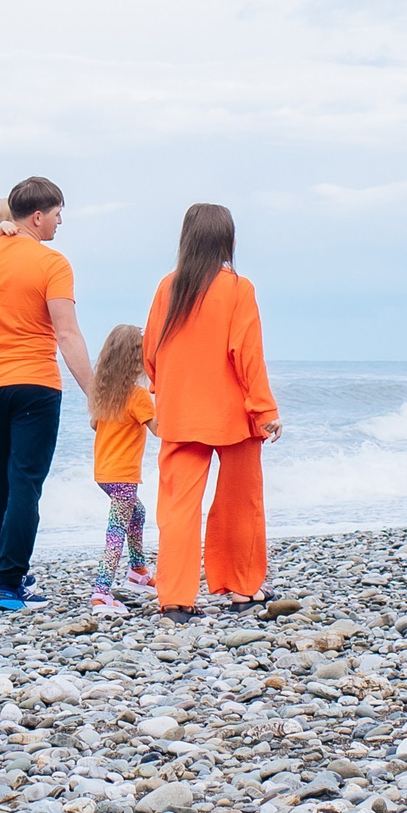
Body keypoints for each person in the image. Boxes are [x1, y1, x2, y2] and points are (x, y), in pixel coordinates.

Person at [0, 176, 94, 612]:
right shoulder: (52, 262)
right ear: (38, 215)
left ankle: (6, 574)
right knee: (25, 485)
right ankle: (11, 586)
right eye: (57, 215)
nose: (59, 223)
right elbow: (67, 334)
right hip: (34, 384)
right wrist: (95, 393)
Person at [142, 202, 280, 623]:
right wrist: (265, 408)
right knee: (241, 503)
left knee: (178, 510)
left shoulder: (169, 286)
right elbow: (246, 354)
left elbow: (150, 352)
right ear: (228, 240)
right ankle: (242, 590)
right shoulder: (238, 288)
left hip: (180, 413)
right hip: (233, 415)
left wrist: (161, 391)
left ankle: (176, 601)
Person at [85, 324, 157, 615]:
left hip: (104, 474)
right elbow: (160, 429)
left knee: (137, 514)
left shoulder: (105, 394)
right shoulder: (138, 396)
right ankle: (101, 593)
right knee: (116, 532)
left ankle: (138, 571)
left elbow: (95, 425)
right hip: (124, 476)